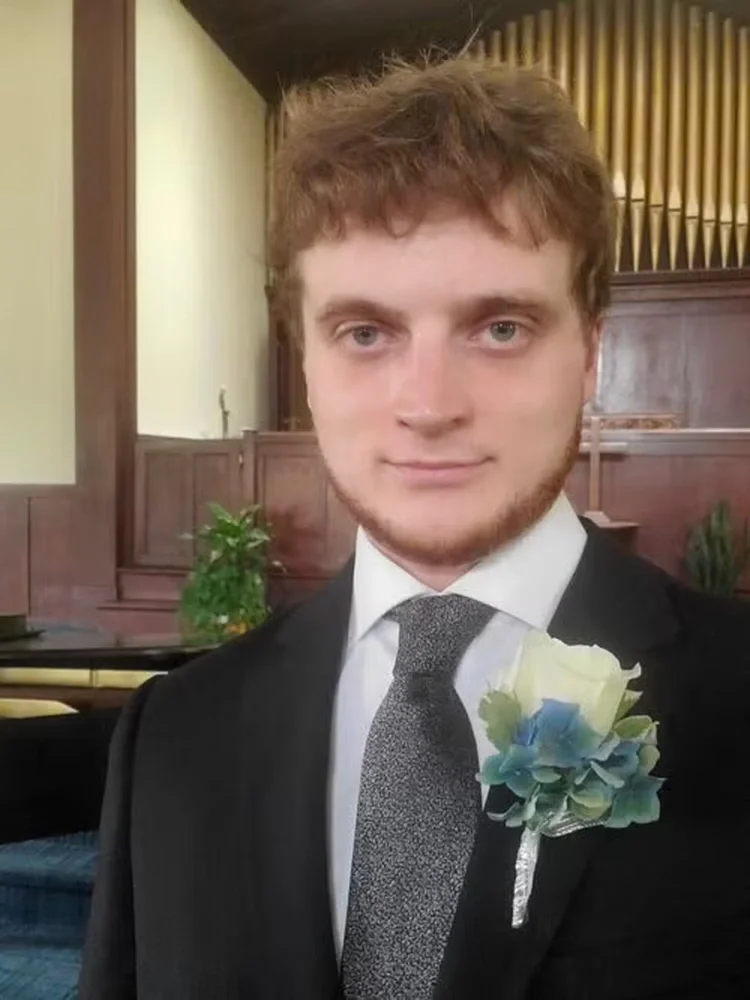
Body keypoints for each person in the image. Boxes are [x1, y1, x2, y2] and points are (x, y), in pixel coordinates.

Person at [79, 56, 750, 1000]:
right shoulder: (177, 733)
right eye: (366, 332)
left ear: (590, 353)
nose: (429, 405)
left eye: (500, 328)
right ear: (304, 360)